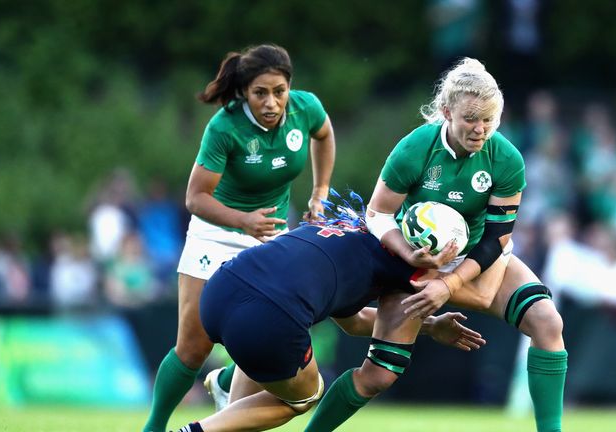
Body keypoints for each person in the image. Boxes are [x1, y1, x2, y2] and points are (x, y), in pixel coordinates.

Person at [305, 58, 567, 432]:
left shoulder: (506, 159)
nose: (480, 129)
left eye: (489, 120)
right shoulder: (415, 148)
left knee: (547, 321)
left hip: (478, 258)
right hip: (415, 264)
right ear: (446, 111)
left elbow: (496, 239)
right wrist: (408, 252)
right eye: (471, 119)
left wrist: (450, 283)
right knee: (377, 376)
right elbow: (378, 214)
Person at [142, 44, 336, 432]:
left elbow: (325, 134)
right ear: (244, 91)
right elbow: (195, 198)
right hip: (216, 235)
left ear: (289, 87)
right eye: (260, 92)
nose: (271, 102)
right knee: (194, 348)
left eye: (279, 91)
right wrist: (243, 220)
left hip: (270, 240)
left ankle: (229, 381)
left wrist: (321, 191)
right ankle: (154, 426)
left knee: (268, 335)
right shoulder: (225, 126)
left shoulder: (305, 108)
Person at [171, 217, 486, 432]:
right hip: (270, 316)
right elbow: (479, 295)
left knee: (262, 377)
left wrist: (429, 326)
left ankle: (225, 390)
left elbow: (355, 321)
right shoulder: (405, 265)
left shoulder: (344, 229)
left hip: (220, 290)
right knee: (305, 396)